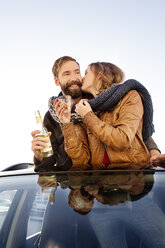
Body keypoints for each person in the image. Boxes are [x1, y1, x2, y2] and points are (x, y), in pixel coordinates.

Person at [31, 56, 161, 171]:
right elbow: (50, 162)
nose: (74, 78)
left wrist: (153, 151)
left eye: (77, 72)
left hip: (113, 177)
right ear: (56, 81)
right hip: (73, 182)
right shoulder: (52, 116)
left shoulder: (97, 102)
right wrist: (39, 155)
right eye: (66, 74)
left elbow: (135, 130)